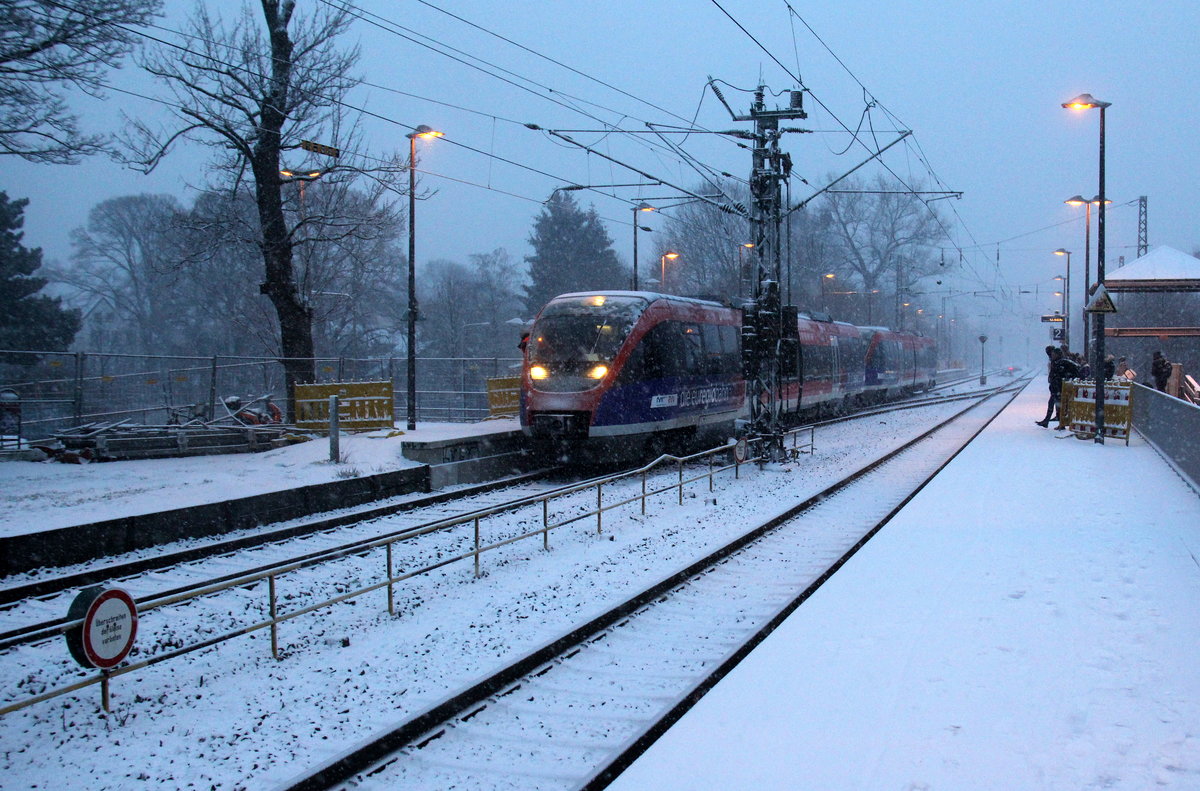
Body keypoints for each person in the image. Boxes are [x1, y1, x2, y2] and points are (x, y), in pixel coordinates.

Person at [1037, 347, 1080, 428]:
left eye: (1053, 354)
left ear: (1057, 355)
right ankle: (1049, 421)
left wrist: (1066, 379)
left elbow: (1074, 369)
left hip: (1059, 388)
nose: (1052, 356)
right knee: (1055, 405)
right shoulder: (1058, 362)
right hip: (1056, 388)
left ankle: (1059, 424)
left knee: (1059, 406)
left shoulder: (1062, 362)